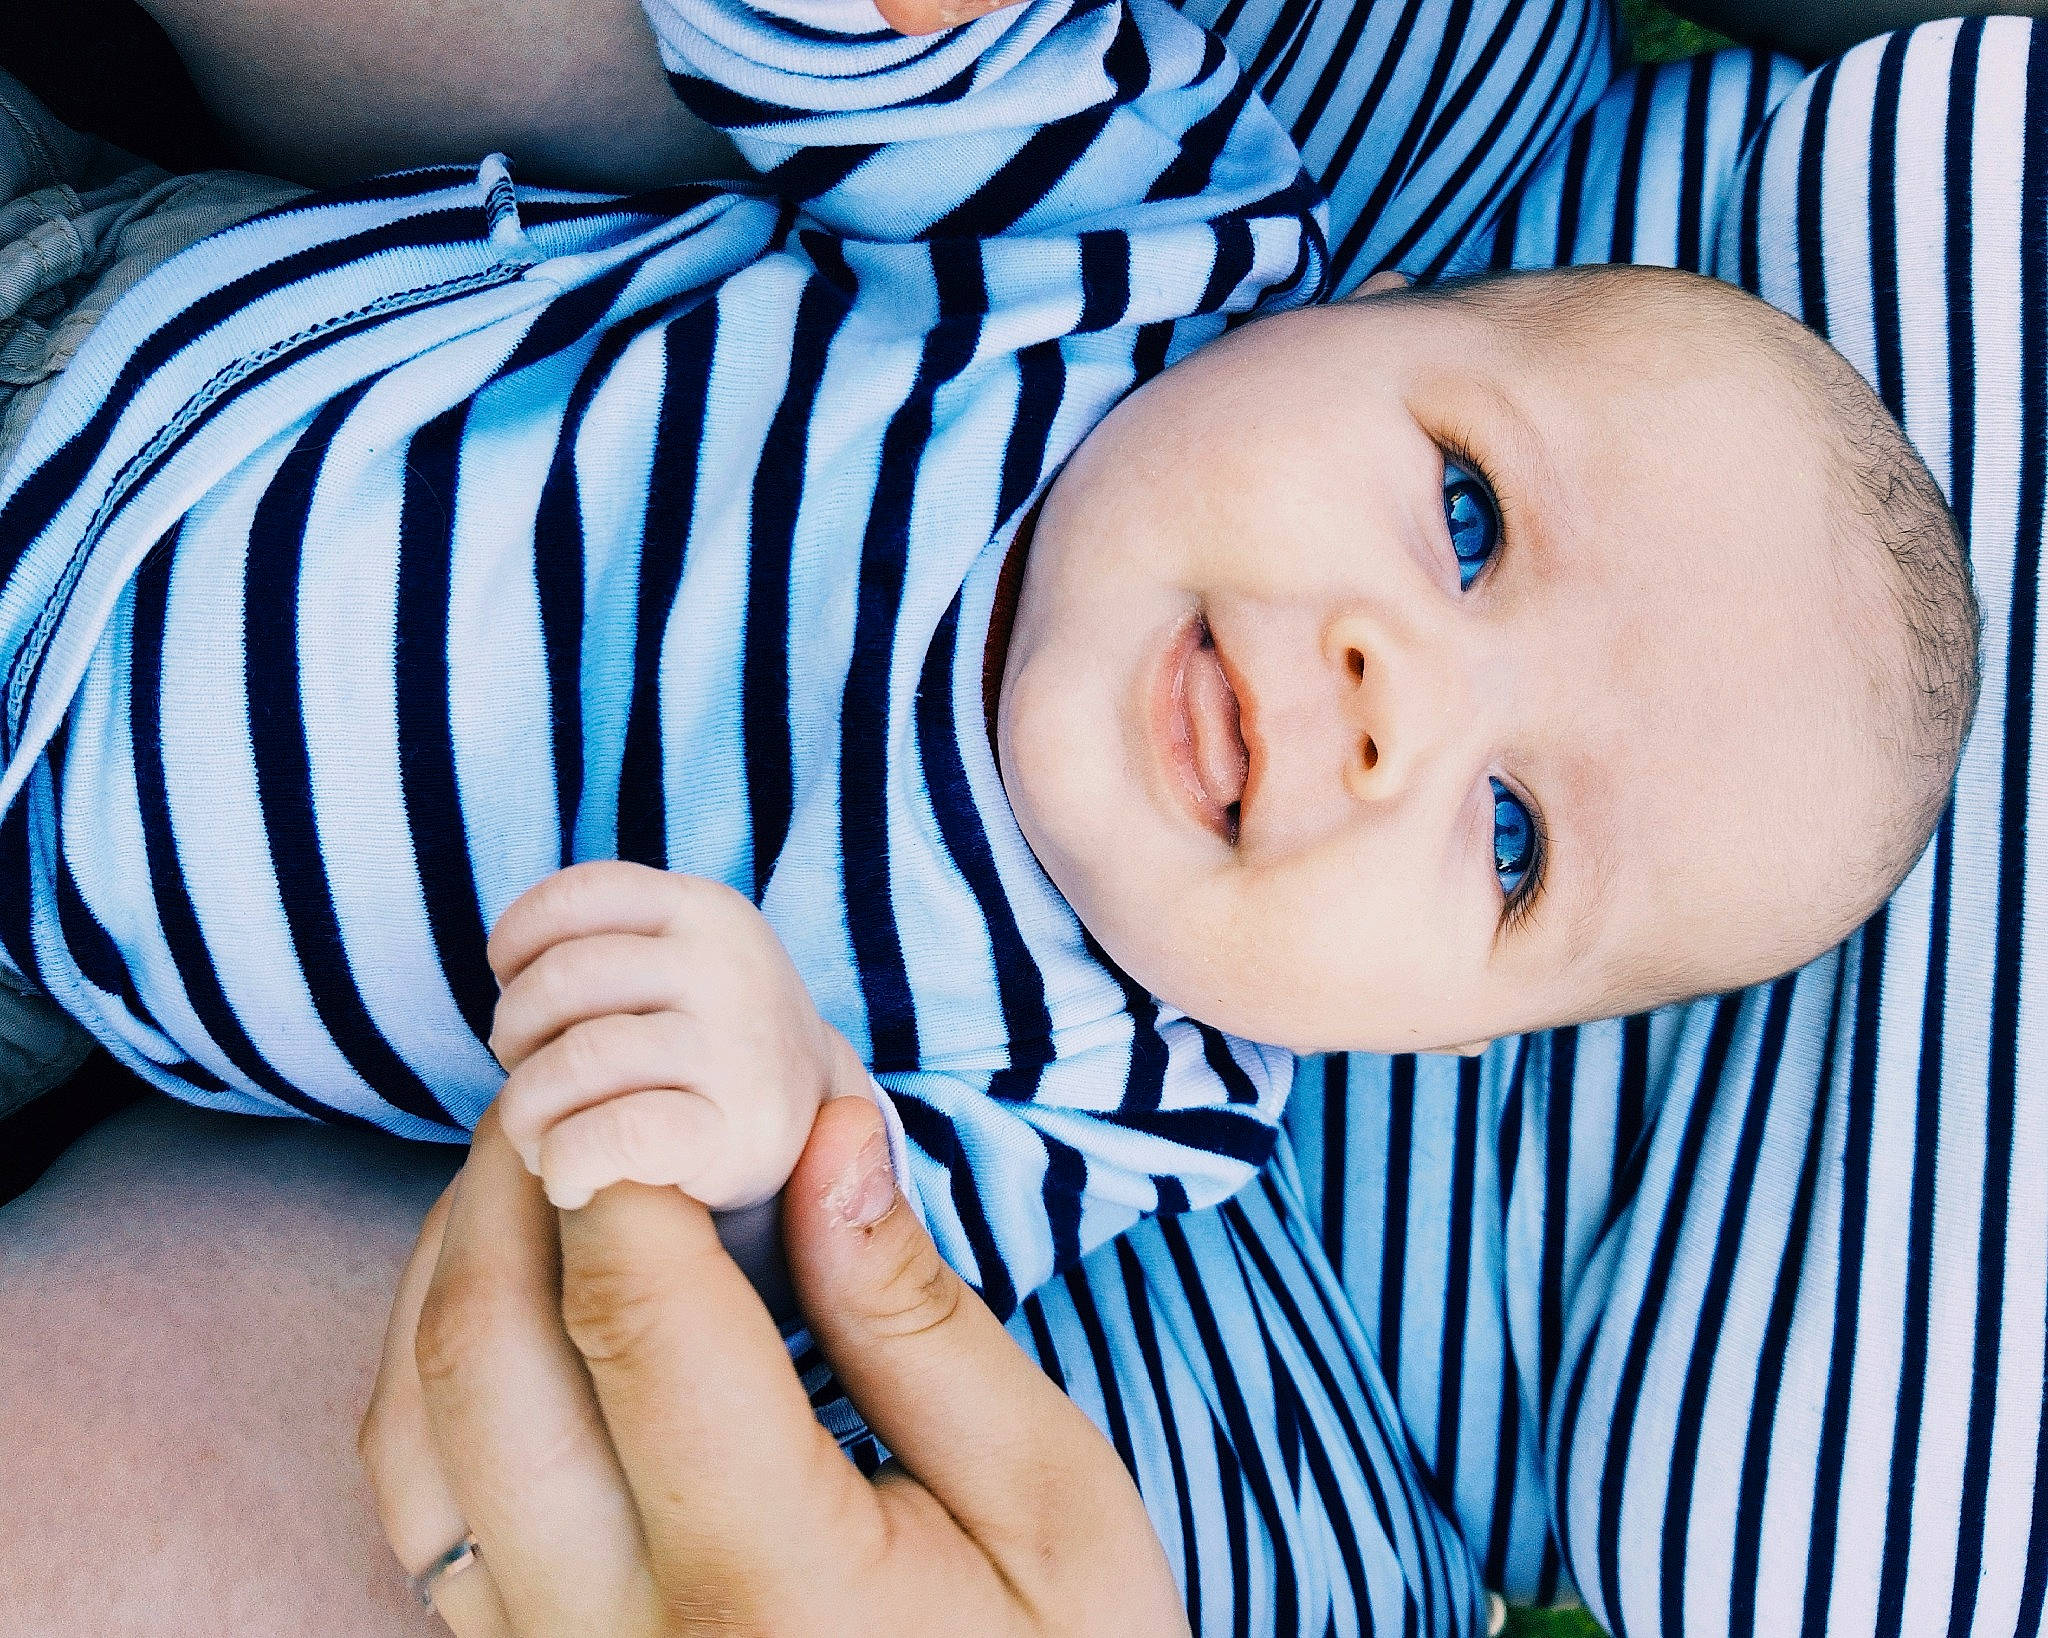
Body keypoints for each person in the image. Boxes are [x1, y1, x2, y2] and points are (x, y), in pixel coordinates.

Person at [5, 3, 2041, 1637]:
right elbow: (869, 61)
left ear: (1443, 1036)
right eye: (1465, 515)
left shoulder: (1117, 1096)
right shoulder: (1141, 245)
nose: (1393, 705)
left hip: (55, 955)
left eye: (1510, 844)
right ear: (1348, 310)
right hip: (100, 337)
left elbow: (814, 1278)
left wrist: (741, 1143)